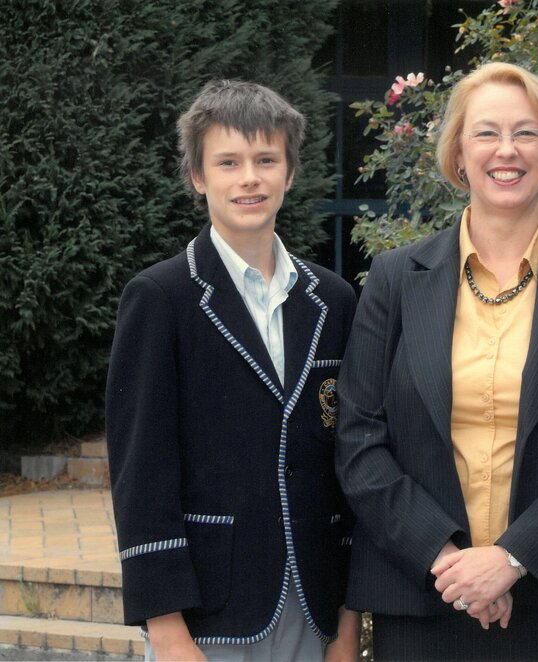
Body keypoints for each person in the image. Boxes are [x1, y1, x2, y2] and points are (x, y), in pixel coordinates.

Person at [334, 62, 538, 661]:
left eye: (527, 133)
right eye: (486, 132)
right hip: (427, 599)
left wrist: (511, 558)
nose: (506, 150)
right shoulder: (395, 280)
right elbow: (359, 440)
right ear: (457, 153)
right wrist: (449, 561)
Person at [106, 79, 360, 662]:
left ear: (289, 173)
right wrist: (166, 630)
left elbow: (348, 460)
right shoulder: (161, 298)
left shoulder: (335, 300)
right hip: (207, 615)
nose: (250, 177)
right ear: (198, 177)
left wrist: (349, 618)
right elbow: (140, 472)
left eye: (266, 159)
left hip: (314, 605)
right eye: (228, 162)